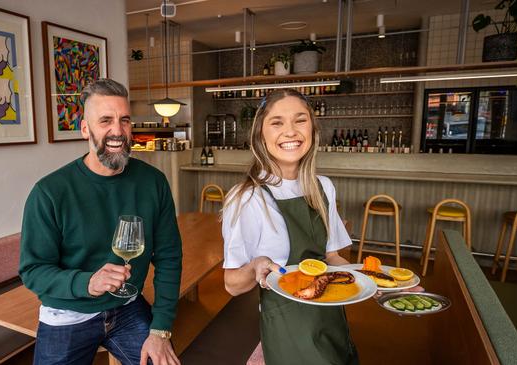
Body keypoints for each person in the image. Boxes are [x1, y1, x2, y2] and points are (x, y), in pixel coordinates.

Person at [19, 78, 182, 365]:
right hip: (67, 314)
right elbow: (33, 271)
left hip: (128, 307)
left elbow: (169, 257)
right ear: (85, 129)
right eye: (105, 120)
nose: (117, 131)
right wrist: (88, 282)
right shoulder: (50, 192)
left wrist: (160, 329)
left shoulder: (153, 182)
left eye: (125, 120)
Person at [222, 88, 358, 365]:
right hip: (286, 323)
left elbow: (331, 257)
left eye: (300, 120)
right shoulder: (247, 197)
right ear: (261, 133)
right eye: (277, 122)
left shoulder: (324, 187)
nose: (291, 131)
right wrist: (255, 265)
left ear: (313, 129)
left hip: (330, 312)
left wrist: (374, 280)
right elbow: (232, 285)